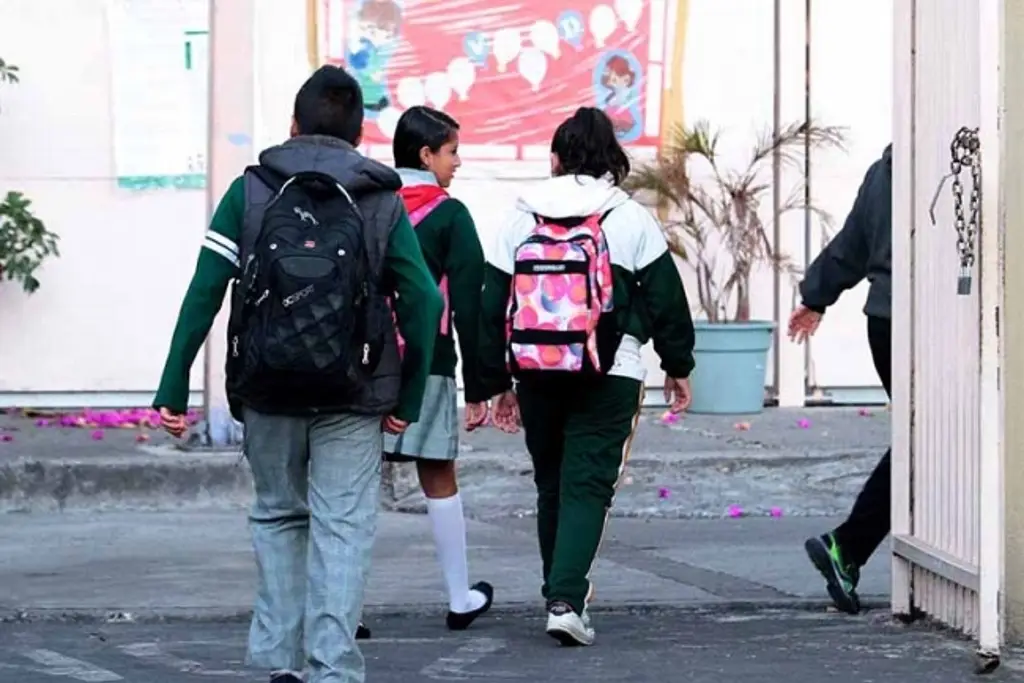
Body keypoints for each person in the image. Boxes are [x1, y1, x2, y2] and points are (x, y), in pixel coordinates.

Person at [153, 65, 443, 683]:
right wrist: (410, 396)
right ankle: (332, 668)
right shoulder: (381, 200)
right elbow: (423, 300)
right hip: (355, 390)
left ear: (291, 125)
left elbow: (204, 289)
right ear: (360, 134)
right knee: (343, 525)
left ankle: (279, 664)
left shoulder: (250, 192)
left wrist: (174, 383)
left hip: (268, 386)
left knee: (278, 514)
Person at [477, 107, 696, 646]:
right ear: (612, 162)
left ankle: (559, 589)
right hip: (610, 369)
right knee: (587, 484)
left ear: (554, 159)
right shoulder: (629, 217)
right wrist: (678, 365)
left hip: (535, 371)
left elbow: (490, 307)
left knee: (552, 481)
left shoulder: (519, 217)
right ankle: (566, 600)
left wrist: (494, 382)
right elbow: (666, 300)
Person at [366, 105, 493, 632]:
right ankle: (459, 596)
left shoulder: (368, 204)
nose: (458, 162)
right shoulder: (450, 215)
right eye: (452, 151)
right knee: (438, 473)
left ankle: (341, 608)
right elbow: (470, 305)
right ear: (427, 154)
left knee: (350, 483)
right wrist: (483, 386)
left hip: (364, 365)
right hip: (430, 364)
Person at [789, 143, 892, 615]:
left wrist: (816, 295)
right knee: (931, 444)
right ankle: (847, 547)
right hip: (925, 323)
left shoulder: (883, 168)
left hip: (883, 321)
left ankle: (848, 548)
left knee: (930, 442)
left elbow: (850, 246)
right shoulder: (952, 162)